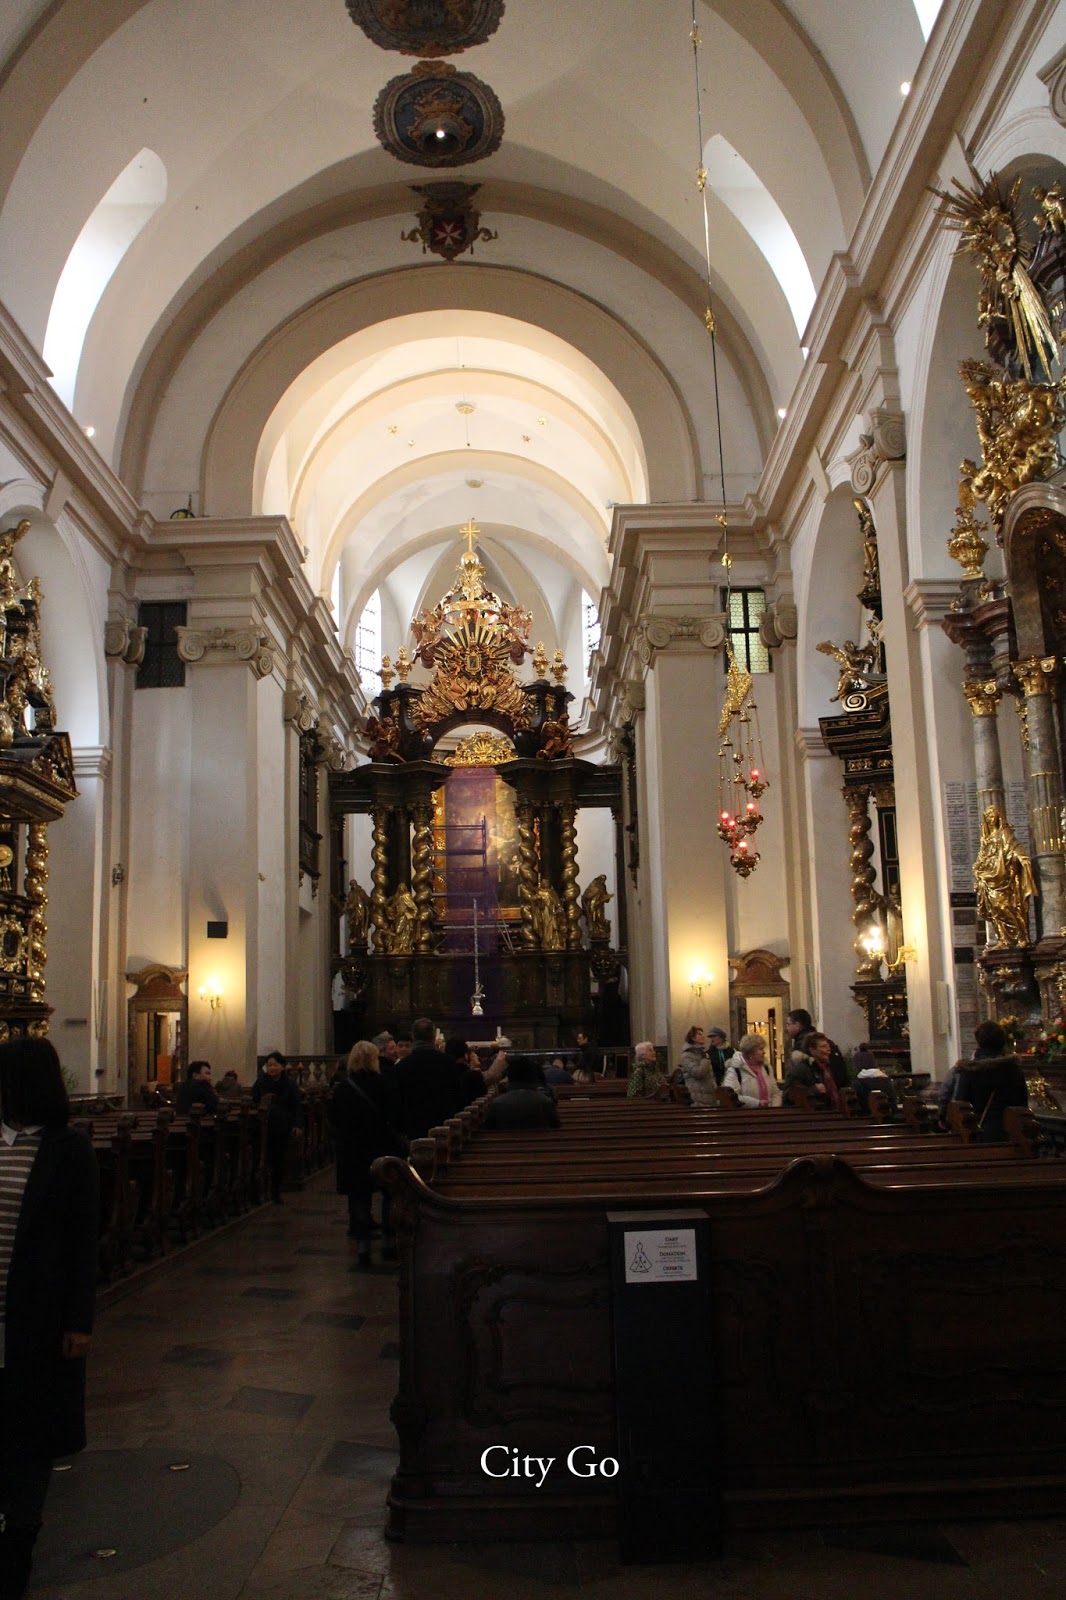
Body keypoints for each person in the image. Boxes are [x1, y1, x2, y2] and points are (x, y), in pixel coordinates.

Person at [0, 1036, 98, 1599]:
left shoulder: (67, 1150)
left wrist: (79, 1322)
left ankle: (20, 1541)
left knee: (29, 1433)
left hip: (34, 1315)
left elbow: (83, 1242)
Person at [331, 1039, 406, 1268]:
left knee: (359, 1198)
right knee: (389, 1194)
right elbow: (396, 1115)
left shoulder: (343, 1088)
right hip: (380, 1145)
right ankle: (388, 1242)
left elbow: (334, 1119)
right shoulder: (384, 1083)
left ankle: (363, 1248)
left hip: (353, 1149)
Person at [952, 1020, 1029, 1141]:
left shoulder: (971, 1071)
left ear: (979, 1041)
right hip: (1010, 1133)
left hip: (979, 1131)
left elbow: (961, 1104)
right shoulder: (1013, 1070)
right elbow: (1022, 1104)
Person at [389, 1016, 459, 1140]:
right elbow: (457, 1094)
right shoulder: (448, 1062)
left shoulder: (401, 1067)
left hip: (413, 1128)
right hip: (444, 1127)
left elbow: (396, 1102)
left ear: (413, 1037)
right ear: (433, 1036)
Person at [251, 1050, 303, 1202]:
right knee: (260, 1157)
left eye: (275, 1065)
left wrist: (297, 1124)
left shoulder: (289, 1084)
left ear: (282, 1066)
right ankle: (257, 1192)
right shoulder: (260, 1082)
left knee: (278, 1159)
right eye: (269, 1065)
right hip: (262, 1125)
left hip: (281, 1126)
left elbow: (296, 1106)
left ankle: (275, 1191)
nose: (272, 1068)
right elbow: (254, 1101)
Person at [483, 1056, 561, 1129]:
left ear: (509, 1078)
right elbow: (555, 1126)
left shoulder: (498, 1103)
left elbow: (488, 1128)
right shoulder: (546, 1102)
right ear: (533, 1077)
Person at [782, 1031, 847, 1110]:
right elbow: (789, 1095)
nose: (828, 1049)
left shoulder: (828, 1067)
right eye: (823, 1046)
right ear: (812, 1050)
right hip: (812, 1114)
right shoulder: (800, 1070)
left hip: (831, 1112)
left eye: (828, 1046)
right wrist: (815, 1089)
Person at [723, 1032, 781, 1107]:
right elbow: (732, 1096)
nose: (764, 1052)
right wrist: (757, 1103)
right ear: (750, 1053)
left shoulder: (766, 1068)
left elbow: (775, 1092)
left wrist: (774, 1108)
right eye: (760, 1049)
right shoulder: (735, 1070)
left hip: (769, 1112)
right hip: (747, 1113)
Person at [679, 1025, 716, 1106]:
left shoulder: (702, 1053)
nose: (703, 1036)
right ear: (693, 1038)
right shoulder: (687, 1055)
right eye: (699, 1034)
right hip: (697, 1095)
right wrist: (705, 1059)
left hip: (708, 1093)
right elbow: (698, 1073)